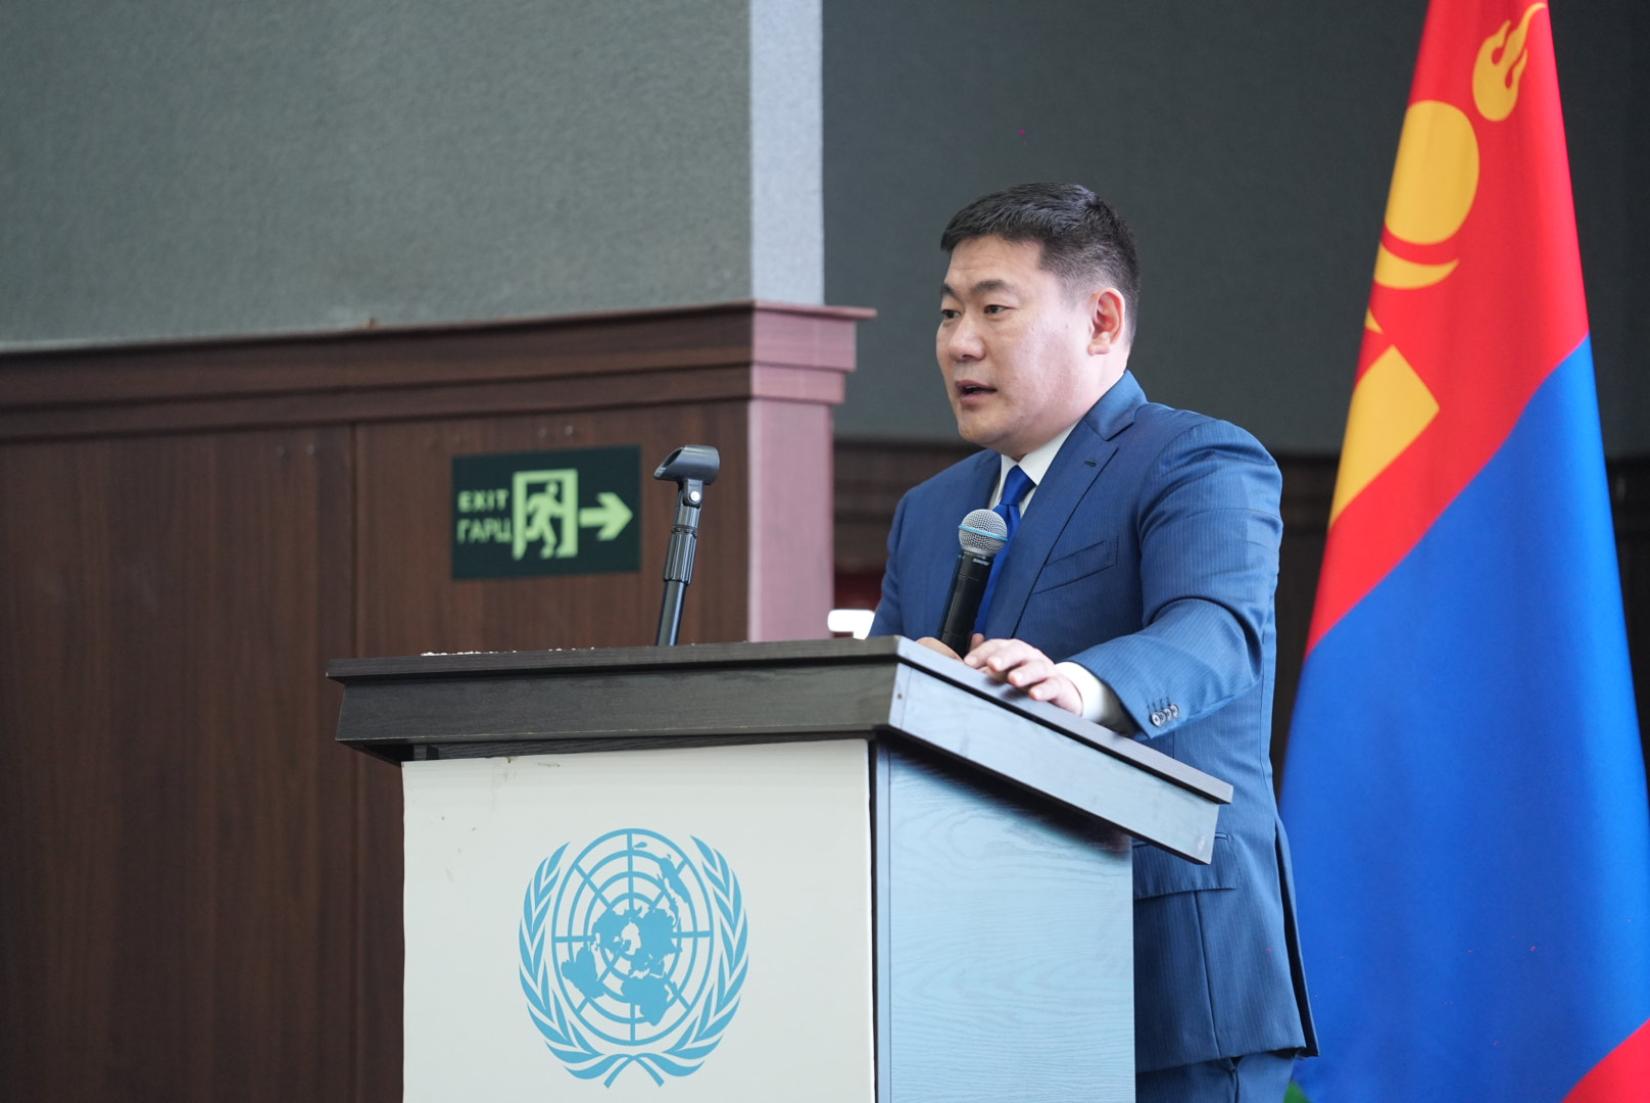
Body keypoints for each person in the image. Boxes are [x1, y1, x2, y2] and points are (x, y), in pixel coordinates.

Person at [869, 183, 1316, 1101]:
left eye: (994, 308)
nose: (958, 340)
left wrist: (1076, 688)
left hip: (1164, 977)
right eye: (949, 311)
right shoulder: (929, 513)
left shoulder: (1196, 459)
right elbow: (873, 695)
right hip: (966, 990)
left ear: (1102, 321)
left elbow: (1216, 632)